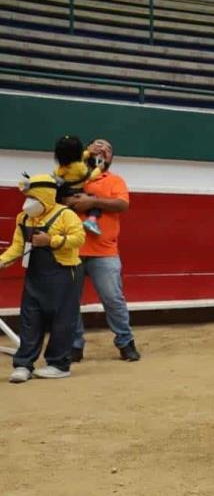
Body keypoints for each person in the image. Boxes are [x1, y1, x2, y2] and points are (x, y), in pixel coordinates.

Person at [0, 174, 85, 383]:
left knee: (63, 321)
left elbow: (79, 238)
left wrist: (50, 241)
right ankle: (23, 365)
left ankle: (58, 364)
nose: (28, 202)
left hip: (65, 274)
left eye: (33, 197)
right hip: (35, 276)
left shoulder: (66, 215)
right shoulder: (24, 218)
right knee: (30, 319)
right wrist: (1, 261)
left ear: (46, 195)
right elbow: (17, 247)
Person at [64, 139, 140, 363]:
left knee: (113, 299)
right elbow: (59, 199)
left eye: (107, 148)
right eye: (97, 145)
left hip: (105, 251)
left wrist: (92, 201)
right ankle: (74, 346)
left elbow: (122, 205)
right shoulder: (72, 175)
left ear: (111, 158)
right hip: (71, 250)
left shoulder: (114, 180)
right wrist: (76, 201)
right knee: (69, 302)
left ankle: (126, 343)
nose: (102, 149)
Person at [53, 135, 104, 235]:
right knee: (95, 202)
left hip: (63, 195)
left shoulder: (62, 166)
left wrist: (89, 153)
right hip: (76, 194)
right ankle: (91, 221)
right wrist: (99, 169)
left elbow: (79, 157)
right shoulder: (79, 166)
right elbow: (89, 177)